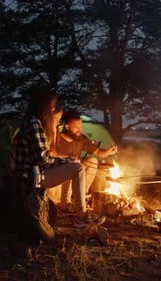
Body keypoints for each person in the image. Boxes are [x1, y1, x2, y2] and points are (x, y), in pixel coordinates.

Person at [12, 92, 102, 242]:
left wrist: (66, 161)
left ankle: (76, 210)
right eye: (53, 107)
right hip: (31, 178)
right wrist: (67, 161)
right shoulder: (35, 124)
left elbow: (42, 158)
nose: (54, 110)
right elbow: (43, 159)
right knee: (77, 168)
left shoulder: (32, 121)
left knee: (74, 166)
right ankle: (82, 216)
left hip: (34, 174)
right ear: (44, 107)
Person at [51, 110, 118, 212]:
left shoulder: (81, 139)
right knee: (73, 165)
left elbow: (98, 152)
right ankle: (66, 203)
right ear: (67, 127)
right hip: (58, 176)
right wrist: (66, 159)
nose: (80, 130)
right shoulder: (57, 139)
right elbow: (51, 156)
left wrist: (108, 152)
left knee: (93, 160)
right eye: (76, 127)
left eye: (81, 127)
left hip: (74, 171)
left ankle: (81, 195)